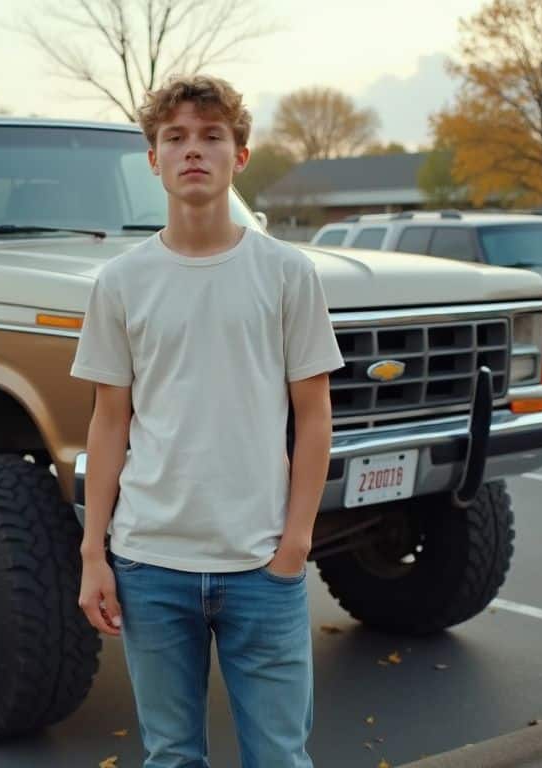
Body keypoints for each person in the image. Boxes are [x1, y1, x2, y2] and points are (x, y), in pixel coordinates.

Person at [70, 74, 344, 767]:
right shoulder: (121, 282)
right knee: (172, 757)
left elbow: (314, 417)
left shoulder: (287, 274)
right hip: (149, 564)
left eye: (212, 135)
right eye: (176, 137)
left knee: (280, 758)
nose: (194, 149)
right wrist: (94, 553)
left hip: (261, 567)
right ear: (154, 159)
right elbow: (108, 423)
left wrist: (296, 545)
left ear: (239, 156)